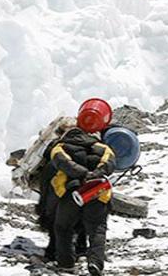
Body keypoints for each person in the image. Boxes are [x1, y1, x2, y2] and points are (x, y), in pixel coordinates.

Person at [41, 102, 116, 276]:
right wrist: (94, 174)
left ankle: (66, 264)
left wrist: (82, 174)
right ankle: (95, 263)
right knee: (97, 229)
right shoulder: (104, 148)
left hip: (72, 193)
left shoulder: (59, 147)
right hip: (98, 192)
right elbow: (109, 164)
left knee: (63, 227)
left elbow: (63, 163)